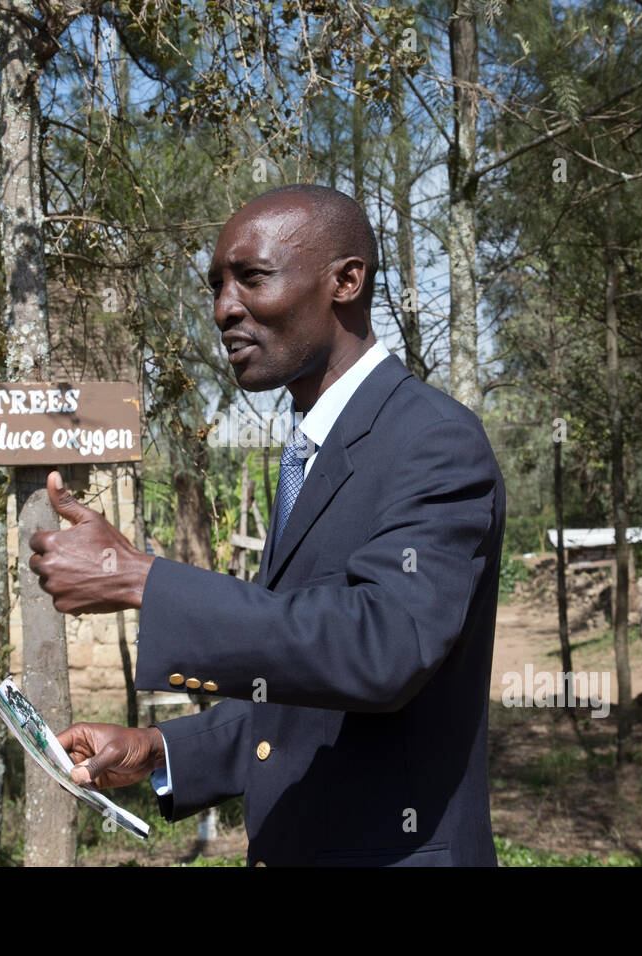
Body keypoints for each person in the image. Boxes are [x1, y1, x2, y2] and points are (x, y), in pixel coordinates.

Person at [26, 184, 505, 866]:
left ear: (345, 280)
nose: (225, 309)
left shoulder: (432, 441)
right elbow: (305, 682)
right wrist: (162, 749)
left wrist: (143, 580)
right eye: (217, 285)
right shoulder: (311, 449)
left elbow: (382, 650)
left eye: (253, 278)